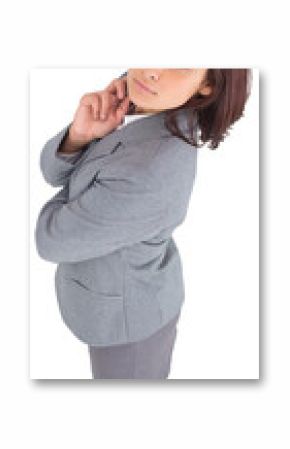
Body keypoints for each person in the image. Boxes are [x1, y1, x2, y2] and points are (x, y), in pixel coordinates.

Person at [34, 68, 252, 379]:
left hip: (128, 329)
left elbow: (50, 239)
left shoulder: (152, 169)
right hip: (121, 288)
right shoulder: (139, 100)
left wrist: (72, 192)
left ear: (206, 85)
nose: (152, 70)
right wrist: (79, 137)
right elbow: (51, 172)